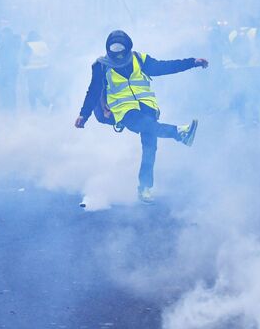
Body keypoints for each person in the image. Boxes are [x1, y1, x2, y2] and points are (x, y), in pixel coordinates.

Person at [75, 30, 208, 204]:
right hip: (125, 111)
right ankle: (179, 133)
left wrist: (193, 62)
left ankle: (145, 188)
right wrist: (83, 115)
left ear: (128, 47)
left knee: (150, 147)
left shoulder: (139, 59)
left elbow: (166, 67)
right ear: (108, 49)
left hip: (148, 107)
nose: (118, 53)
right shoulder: (101, 65)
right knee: (147, 127)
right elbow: (93, 92)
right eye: (114, 49)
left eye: (121, 48)